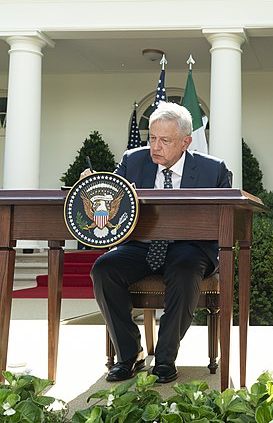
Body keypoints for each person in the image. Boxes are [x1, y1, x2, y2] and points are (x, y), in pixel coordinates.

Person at [91, 101, 232, 383]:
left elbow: (224, 218)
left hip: (189, 247)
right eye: (152, 138)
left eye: (165, 140)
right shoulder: (132, 161)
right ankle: (130, 355)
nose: (155, 147)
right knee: (104, 269)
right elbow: (111, 196)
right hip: (141, 245)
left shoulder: (212, 170)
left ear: (186, 142)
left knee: (184, 271)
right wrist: (93, 185)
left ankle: (165, 358)